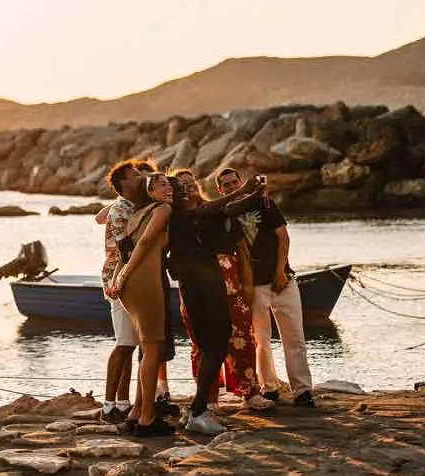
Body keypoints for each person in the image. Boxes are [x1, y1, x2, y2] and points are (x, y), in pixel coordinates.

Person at [165, 171, 267, 435]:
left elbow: (227, 209)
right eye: (181, 189)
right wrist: (243, 191)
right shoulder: (182, 217)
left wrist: (253, 194)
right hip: (201, 291)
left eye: (189, 186)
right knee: (214, 347)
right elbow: (214, 208)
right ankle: (199, 411)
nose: (188, 190)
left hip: (208, 288)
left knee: (215, 347)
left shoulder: (192, 215)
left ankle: (197, 410)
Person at [216, 168, 315, 408]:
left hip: (282, 281)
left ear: (241, 182)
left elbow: (283, 237)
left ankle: (302, 390)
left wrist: (280, 271)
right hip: (254, 286)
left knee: (295, 338)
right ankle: (269, 387)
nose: (231, 187)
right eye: (226, 185)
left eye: (234, 182)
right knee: (261, 340)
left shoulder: (264, 204)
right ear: (220, 190)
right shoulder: (226, 214)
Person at [108, 172, 174, 437]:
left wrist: (118, 277)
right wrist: (123, 276)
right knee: (153, 350)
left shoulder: (137, 213)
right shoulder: (163, 210)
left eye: (169, 184)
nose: (168, 188)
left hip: (131, 285)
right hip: (144, 282)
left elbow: (123, 248)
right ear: (150, 192)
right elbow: (145, 243)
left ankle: (136, 412)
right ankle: (147, 418)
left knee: (148, 350)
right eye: (162, 185)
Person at [96, 160, 147, 424]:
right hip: (118, 282)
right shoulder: (120, 211)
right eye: (135, 175)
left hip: (126, 280)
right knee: (124, 343)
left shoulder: (130, 206)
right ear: (124, 183)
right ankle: (107, 407)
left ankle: (123, 402)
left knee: (129, 344)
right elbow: (126, 249)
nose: (140, 177)